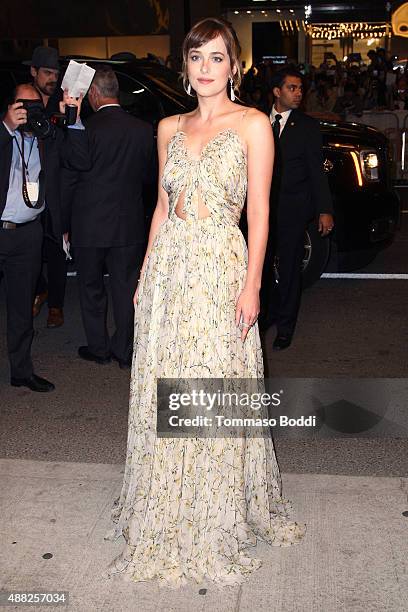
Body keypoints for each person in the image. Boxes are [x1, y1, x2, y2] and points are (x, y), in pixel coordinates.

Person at [105, 18, 305, 587]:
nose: (206, 68)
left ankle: (212, 508)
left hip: (219, 266)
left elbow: (260, 213)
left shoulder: (254, 125)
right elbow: (162, 209)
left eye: (217, 58)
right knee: (164, 383)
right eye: (197, 57)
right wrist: (145, 273)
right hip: (169, 270)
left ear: (233, 66)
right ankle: (165, 503)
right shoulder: (167, 126)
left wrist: (251, 285)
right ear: (185, 66)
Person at [0, 84, 88, 391]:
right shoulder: (4, 131)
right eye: (24, 106)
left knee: (23, 308)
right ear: (11, 107)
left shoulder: (45, 140)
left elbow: (79, 159)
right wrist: (6, 128)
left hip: (28, 235)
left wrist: (73, 120)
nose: (30, 112)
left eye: (36, 106)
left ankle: (21, 371)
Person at [69, 65, 155, 369]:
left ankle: (99, 348)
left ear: (93, 94)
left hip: (88, 225)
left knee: (91, 288)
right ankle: (125, 350)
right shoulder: (143, 130)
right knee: (125, 288)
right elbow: (148, 179)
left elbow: (71, 179)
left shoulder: (84, 130)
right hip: (127, 223)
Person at [264, 67, 334, 350]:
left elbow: (317, 172)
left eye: (300, 89)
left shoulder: (306, 126)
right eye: (292, 88)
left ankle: (285, 327)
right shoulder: (258, 122)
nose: (298, 93)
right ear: (277, 91)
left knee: (290, 270)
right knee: (262, 268)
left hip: (293, 210)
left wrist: (324, 209)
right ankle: (263, 318)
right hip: (261, 211)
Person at [23, 46, 68, 329]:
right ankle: (39, 288)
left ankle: (56, 306)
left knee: (56, 249)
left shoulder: (63, 105)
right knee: (29, 246)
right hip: (27, 188)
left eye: (56, 72)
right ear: (33, 72)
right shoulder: (24, 102)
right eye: (47, 72)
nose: (53, 77)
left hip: (56, 189)